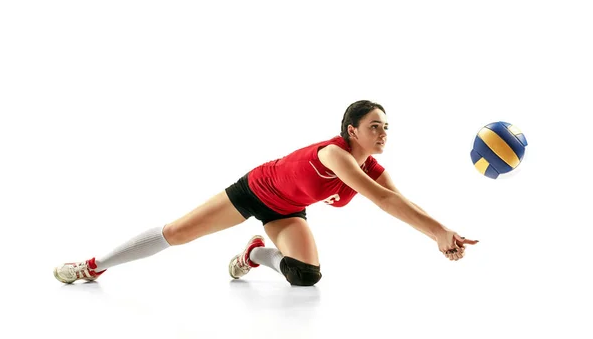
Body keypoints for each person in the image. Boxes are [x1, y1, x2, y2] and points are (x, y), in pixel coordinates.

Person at [53, 100, 478, 286]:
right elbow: (383, 200)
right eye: (374, 126)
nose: (383, 133)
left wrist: (443, 232)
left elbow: (398, 201)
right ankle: (93, 265)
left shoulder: (372, 166)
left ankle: (256, 253)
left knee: (306, 277)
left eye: (386, 126)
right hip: (255, 191)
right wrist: (437, 233)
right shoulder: (336, 154)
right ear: (353, 131)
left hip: (288, 209)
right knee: (179, 233)